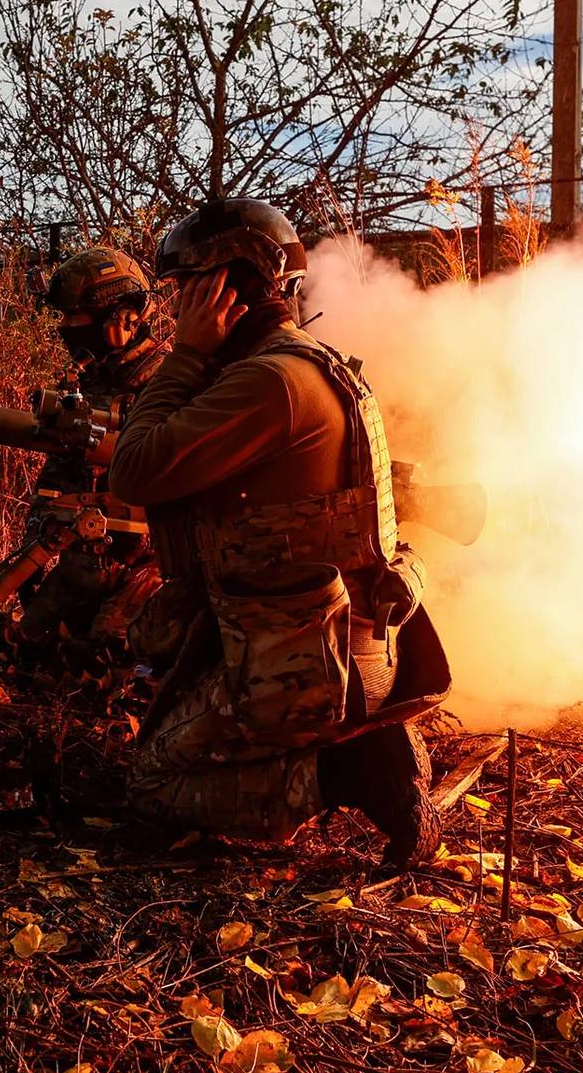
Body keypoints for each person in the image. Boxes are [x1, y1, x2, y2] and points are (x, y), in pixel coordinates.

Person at [106, 199, 452, 869]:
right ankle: (345, 747)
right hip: (341, 647)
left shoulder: (268, 383)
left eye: (184, 293)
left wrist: (186, 356)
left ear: (224, 289)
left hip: (306, 667)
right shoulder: (306, 363)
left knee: (152, 782)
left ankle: (351, 771)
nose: (174, 311)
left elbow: (136, 470)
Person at [16, 247, 167, 650]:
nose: (67, 328)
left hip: (149, 568)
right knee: (29, 639)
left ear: (121, 319)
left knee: (109, 648)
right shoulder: (92, 381)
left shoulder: (169, 385)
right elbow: (57, 475)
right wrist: (34, 540)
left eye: (74, 318)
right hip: (86, 563)